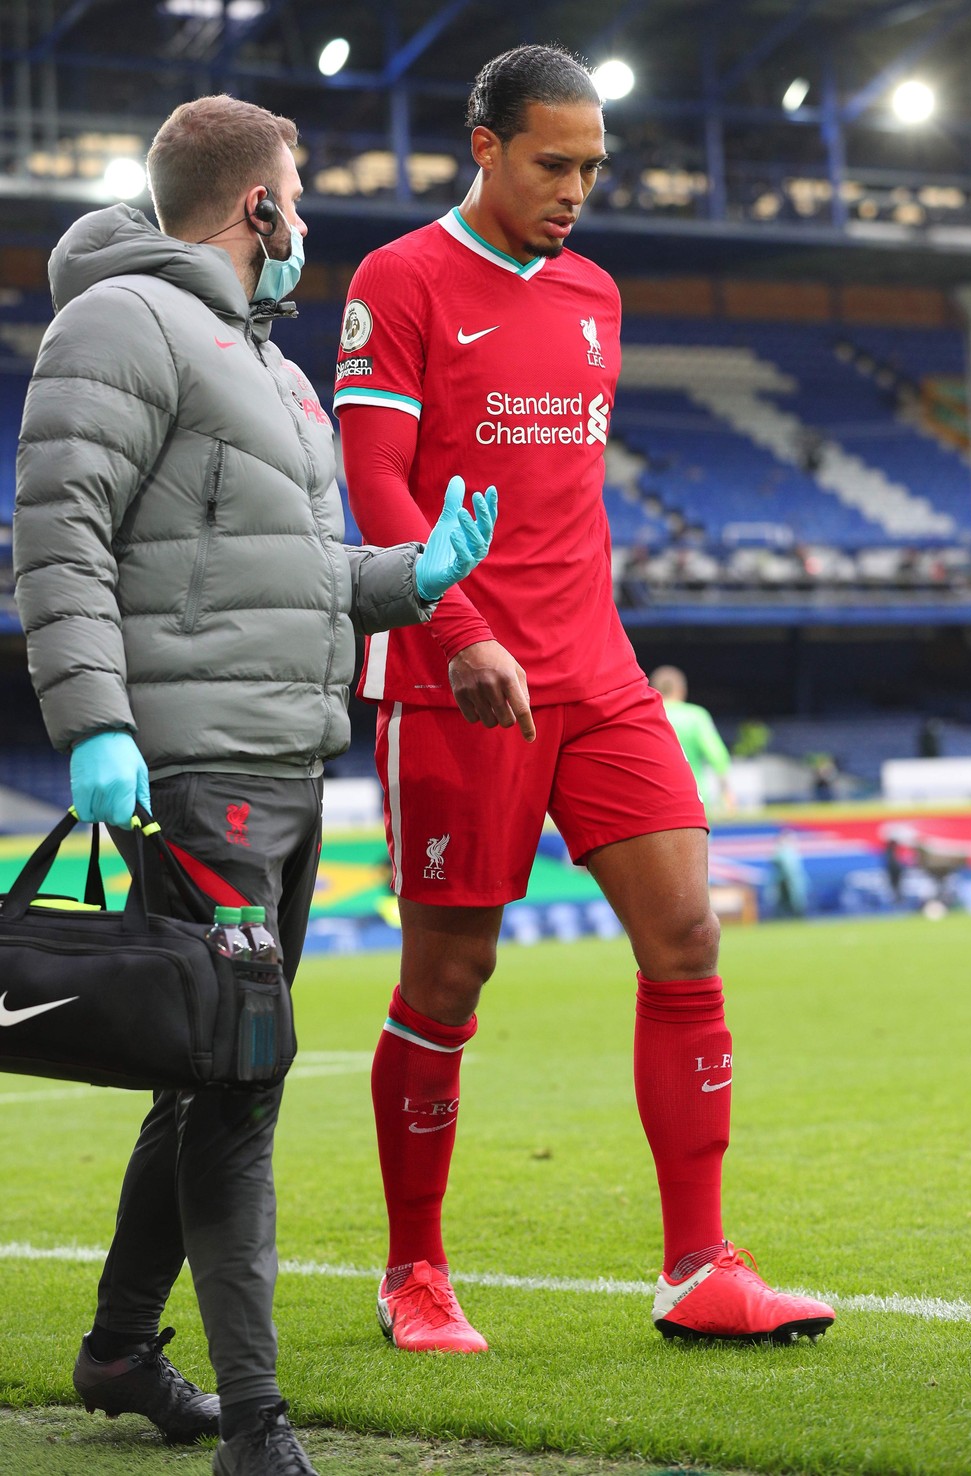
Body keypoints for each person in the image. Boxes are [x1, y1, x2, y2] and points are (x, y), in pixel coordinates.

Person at [13, 95, 496, 1476]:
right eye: (298, 196)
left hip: (292, 765)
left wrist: (412, 579)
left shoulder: (270, 367)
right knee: (241, 1093)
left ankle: (116, 1351)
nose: (310, 228)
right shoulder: (120, 323)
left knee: (205, 1076)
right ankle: (261, 1429)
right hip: (200, 768)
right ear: (258, 207)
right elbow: (59, 533)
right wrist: (94, 721)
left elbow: (285, 578)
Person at [332, 45, 835, 1354]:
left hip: (599, 675)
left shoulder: (599, 292)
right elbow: (376, 481)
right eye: (554, 164)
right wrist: (458, 629)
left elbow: (565, 499)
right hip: (457, 677)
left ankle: (699, 1266)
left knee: (688, 941)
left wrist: (567, 633)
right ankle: (415, 1273)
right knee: (451, 973)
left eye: (593, 169)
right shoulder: (399, 281)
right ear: (483, 143)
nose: (576, 191)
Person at [649, 665, 733, 811]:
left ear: (653, 690)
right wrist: (726, 793)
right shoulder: (696, 716)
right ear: (682, 690)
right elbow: (718, 757)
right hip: (693, 799)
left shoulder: (647, 716)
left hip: (655, 802)